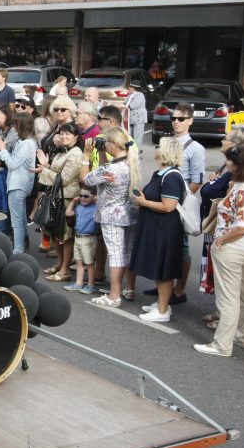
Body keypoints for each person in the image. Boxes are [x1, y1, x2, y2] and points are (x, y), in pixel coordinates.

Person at [194, 145, 244, 355]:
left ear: (240, 164)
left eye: (230, 160)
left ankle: (221, 344)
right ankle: (243, 336)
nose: (226, 163)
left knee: (228, 299)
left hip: (232, 248)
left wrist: (221, 240)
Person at [145, 102, 206, 304]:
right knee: (166, 246)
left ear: (190, 121)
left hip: (178, 203)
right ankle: (164, 286)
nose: (176, 122)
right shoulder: (167, 141)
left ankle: (179, 290)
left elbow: (197, 179)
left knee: (182, 247)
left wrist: (182, 199)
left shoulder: (195, 148)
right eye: (174, 118)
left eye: (181, 119)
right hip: (164, 200)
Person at [82, 127, 141, 307]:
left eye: (106, 141)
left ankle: (114, 295)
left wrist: (86, 155)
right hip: (130, 212)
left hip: (111, 215)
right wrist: (100, 153)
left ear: (114, 144)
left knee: (116, 255)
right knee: (128, 252)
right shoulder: (132, 163)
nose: (104, 144)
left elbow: (85, 179)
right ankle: (129, 288)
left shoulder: (110, 169)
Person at [132, 138, 187, 322]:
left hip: (165, 230)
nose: (156, 149)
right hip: (157, 227)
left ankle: (163, 311)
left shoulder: (171, 176)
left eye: (160, 147)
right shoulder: (161, 173)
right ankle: (163, 304)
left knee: (164, 271)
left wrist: (143, 202)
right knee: (159, 268)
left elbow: (169, 206)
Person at [35, 122, 84, 281]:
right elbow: (55, 172)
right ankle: (59, 264)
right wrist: (47, 165)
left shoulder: (76, 154)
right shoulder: (61, 151)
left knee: (66, 237)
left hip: (68, 199)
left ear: (76, 137)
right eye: (61, 133)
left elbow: (63, 179)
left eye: (67, 134)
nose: (63, 136)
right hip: (56, 197)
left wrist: (45, 169)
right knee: (56, 235)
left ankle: (65, 271)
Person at [0, 114, 37, 254]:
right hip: (19, 184)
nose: (13, 128)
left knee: (17, 221)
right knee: (21, 219)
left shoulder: (27, 143)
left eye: (16, 125)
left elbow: (12, 163)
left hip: (18, 184)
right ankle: (22, 247)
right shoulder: (24, 141)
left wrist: (2, 149)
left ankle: (18, 251)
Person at [63, 185, 99, 294]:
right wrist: (73, 202)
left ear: (93, 197)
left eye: (86, 196)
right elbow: (68, 213)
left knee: (89, 263)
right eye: (81, 196)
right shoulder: (79, 207)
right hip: (78, 237)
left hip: (89, 238)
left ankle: (91, 285)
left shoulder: (96, 208)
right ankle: (78, 283)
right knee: (79, 262)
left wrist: (98, 202)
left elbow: (103, 212)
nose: (83, 198)